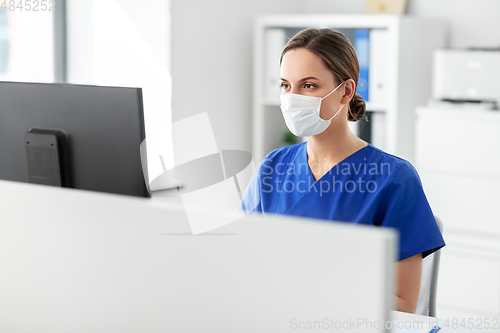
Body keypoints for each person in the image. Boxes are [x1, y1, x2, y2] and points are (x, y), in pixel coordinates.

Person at [240, 28, 445, 314]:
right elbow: (242, 266)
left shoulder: (393, 178)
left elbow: (402, 305)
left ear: (346, 91)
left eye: (309, 85)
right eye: (286, 85)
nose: (292, 97)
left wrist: (310, 293)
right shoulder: (272, 169)